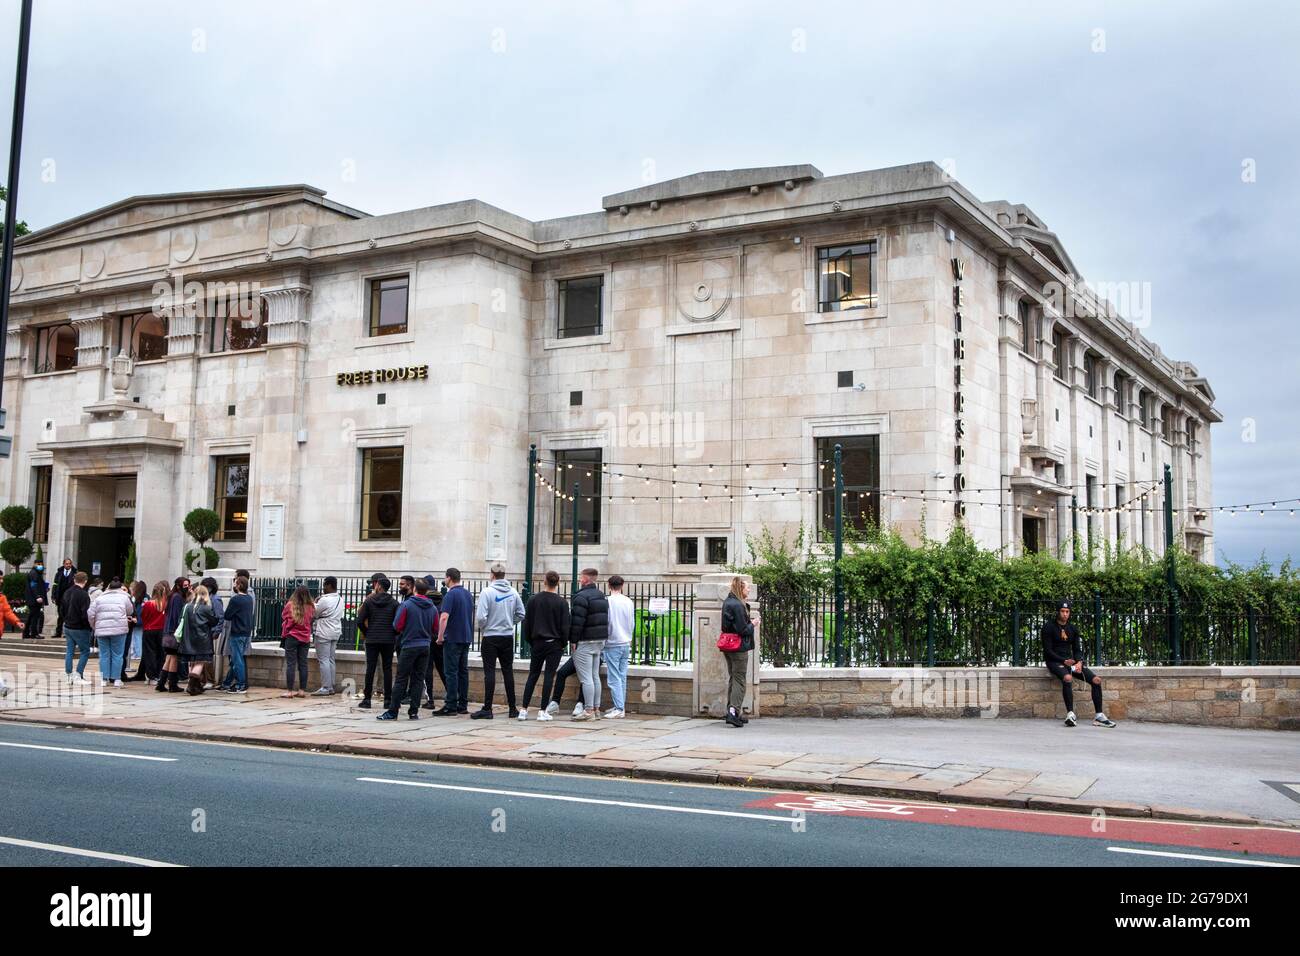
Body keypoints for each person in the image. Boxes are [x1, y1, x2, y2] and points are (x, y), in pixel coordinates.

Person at [1041, 600, 1117, 728]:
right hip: (1055, 661)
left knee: (1096, 680)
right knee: (1067, 678)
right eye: (1062, 611)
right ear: (1058, 612)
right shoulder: (1048, 627)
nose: (1065, 614)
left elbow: (1077, 649)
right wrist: (1063, 661)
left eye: (1067, 612)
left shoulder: (1073, 629)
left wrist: (1079, 662)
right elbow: (1048, 651)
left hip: (1071, 661)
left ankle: (1099, 716)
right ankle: (1070, 714)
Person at [472, 563, 525, 719]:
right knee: (508, 671)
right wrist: (509, 622)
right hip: (507, 636)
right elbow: (521, 614)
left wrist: (487, 627)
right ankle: (512, 708)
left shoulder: (487, 592)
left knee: (489, 672)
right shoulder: (513, 592)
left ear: (492, 575)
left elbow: (481, 617)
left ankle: (487, 708)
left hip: (491, 636)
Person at [380, 578, 436, 721]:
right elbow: (436, 628)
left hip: (410, 644)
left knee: (401, 679)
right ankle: (413, 712)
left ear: (415, 589)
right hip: (425, 646)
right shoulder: (432, 607)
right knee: (418, 679)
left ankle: (393, 711)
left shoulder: (406, 605)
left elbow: (397, 625)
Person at [518, 570, 569, 722]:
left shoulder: (533, 600)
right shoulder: (562, 602)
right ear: (558, 583)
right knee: (549, 676)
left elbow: (526, 624)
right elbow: (565, 627)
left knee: (532, 675)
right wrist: (563, 643)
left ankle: (524, 709)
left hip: (537, 642)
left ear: (544, 581)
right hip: (554, 644)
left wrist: (531, 641)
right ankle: (542, 711)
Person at [567, 568, 609, 721]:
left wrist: (573, 640)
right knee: (594, 676)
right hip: (599, 640)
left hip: (584, 641)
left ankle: (589, 710)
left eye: (581, 577)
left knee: (586, 678)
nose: (580, 579)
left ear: (584, 579)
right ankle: (596, 709)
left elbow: (577, 621)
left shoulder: (581, 597)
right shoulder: (601, 595)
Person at [720, 577, 759, 728]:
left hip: (728, 646)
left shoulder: (728, 602)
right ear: (740, 589)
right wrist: (753, 624)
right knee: (739, 680)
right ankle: (733, 712)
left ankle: (732, 710)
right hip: (738, 647)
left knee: (734, 678)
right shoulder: (737, 605)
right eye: (747, 588)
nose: (749, 590)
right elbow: (743, 630)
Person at [433, 568, 473, 716]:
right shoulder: (468, 594)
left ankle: (451, 705)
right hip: (466, 637)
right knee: (463, 672)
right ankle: (462, 704)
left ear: (449, 578)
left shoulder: (450, 595)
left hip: (453, 638)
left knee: (451, 672)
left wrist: (440, 636)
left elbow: (444, 617)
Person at [355, 575, 398, 709]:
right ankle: (388, 700)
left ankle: (367, 700)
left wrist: (367, 633)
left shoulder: (369, 601)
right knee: (387, 669)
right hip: (388, 640)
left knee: (371, 669)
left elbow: (360, 621)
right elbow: (397, 623)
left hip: (372, 639)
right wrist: (393, 634)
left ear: (379, 586)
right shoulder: (394, 603)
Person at [88, 578, 134, 688]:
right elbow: (130, 611)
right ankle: (117, 679)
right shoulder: (125, 597)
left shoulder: (100, 598)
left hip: (102, 630)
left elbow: (90, 613)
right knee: (118, 655)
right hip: (119, 630)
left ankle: (104, 679)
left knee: (104, 654)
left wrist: (94, 626)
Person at [177, 585, 219, 695]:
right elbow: (213, 621)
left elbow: (180, 620)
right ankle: (192, 685)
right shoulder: (206, 608)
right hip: (202, 639)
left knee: (192, 663)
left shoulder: (187, 607)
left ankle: (196, 686)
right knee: (200, 662)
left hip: (188, 638)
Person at [603, 575, 634, 719]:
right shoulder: (628, 601)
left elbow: (607, 622)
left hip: (613, 642)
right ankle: (619, 706)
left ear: (609, 585)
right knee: (622, 676)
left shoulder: (607, 601)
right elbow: (631, 622)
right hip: (625, 641)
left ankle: (619, 708)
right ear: (622, 585)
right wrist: (630, 638)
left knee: (614, 677)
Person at [220, 576, 255, 693]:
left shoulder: (235, 599)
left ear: (239, 585)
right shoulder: (249, 598)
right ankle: (226, 683)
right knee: (235, 660)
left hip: (237, 632)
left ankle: (241, 684)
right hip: (246, 632)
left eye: (235, 583)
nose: (234, 585)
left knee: (237, 659)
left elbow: (227, 615)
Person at [312, 576, 345, 696]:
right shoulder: (340, 599)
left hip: (324, 631)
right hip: (335, 631)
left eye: (324, 585)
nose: (323, 588)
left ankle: (326, 687)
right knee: (331, 659)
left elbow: (314, 613)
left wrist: (315, 603)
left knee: (323, 660)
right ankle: (331, 687)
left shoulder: (324, 600)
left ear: (329, 585)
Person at [157, 578, 190, 693]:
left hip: (168, 631)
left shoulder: (173, 596)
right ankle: (172, 684)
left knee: (169, 658)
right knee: (174, 658)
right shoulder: (177, 598)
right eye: (185, 585)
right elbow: (177, 616)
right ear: (179, 585)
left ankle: (161, 683)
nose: (187, 587)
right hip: (173, 632)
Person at [281, 586, 314, 698]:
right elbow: (311, 619)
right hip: (305, 638)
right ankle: (301, 691)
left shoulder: (290, 605)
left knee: (291, 664)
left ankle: (289, 691)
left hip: (292, 637)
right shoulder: (311, 606)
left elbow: (284, 616)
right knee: (303, 664)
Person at [420, 575, 448, 710]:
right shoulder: (443, 599)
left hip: (427, 637)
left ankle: (430, 700)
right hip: (440, 639)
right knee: (443, 669)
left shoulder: (424, 601)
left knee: (427, 670)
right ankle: (452, 695)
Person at [61, 572, 93, 684]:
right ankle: (78, 675)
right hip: (79, 627)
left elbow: (62, 610)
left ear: (75, 580)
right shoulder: (84, 595)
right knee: (85, 651)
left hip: (68, 626)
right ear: (85, 581)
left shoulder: (67, 592)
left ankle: (69, 675)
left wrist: (66, 620)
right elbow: (85, 614)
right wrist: (88, 627)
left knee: (69, 651)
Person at [136, 582, 167, 685]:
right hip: (161, 630)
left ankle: (151, 676)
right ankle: (158, 674)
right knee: (160, 654)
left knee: (150, 654)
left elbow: (144, 617)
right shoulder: (165, 604)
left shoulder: (149, 604)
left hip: (149, 630)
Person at [123, 580, 146, 681]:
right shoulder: (139, 599)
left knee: (137, 639)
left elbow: (138, 611)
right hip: (136, 623)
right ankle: (136, 654)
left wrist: (136, 620)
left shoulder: (139, 599)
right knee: (137, 639)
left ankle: (137, 654)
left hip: (137, 623)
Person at [51, 558, 76, 641]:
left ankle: (67, 633)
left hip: (70, 598)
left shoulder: (75, 573)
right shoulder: (59, 573)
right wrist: (53, 596)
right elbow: (55, 585)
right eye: (66, 563)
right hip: (60, 598)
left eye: (69, 564)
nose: (68, 565)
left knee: (69, 615)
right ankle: (58, 632)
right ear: (64, 564)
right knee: (60, 615)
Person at [23, 560, 48, 640]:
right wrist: (37, 596)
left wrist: (44, 589)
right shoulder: (34, 573)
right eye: (38, 564)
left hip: (32, 599)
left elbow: (36, 586)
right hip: (34, 599)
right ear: (34, 564)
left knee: (31, 616)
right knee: (35, 617)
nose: (40, 565)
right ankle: (34, 633)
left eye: (41, 564)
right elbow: (33, 586)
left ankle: (26, 633)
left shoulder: (35, 573)